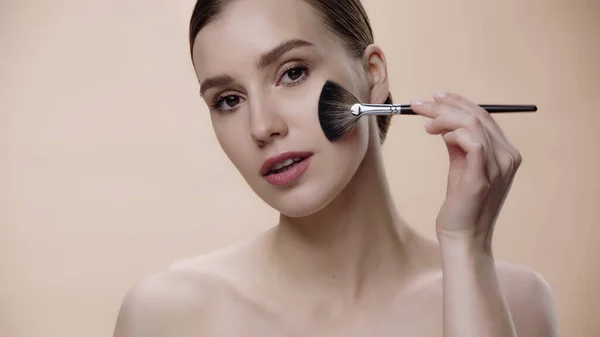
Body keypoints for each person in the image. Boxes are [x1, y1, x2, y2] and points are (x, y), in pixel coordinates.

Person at [112, 0, 558, 336]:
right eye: (228, 100)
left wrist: (466, 248)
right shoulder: (166, 315)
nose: (263, 126)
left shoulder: (516, 301)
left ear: (373, 74)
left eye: (292, 73)